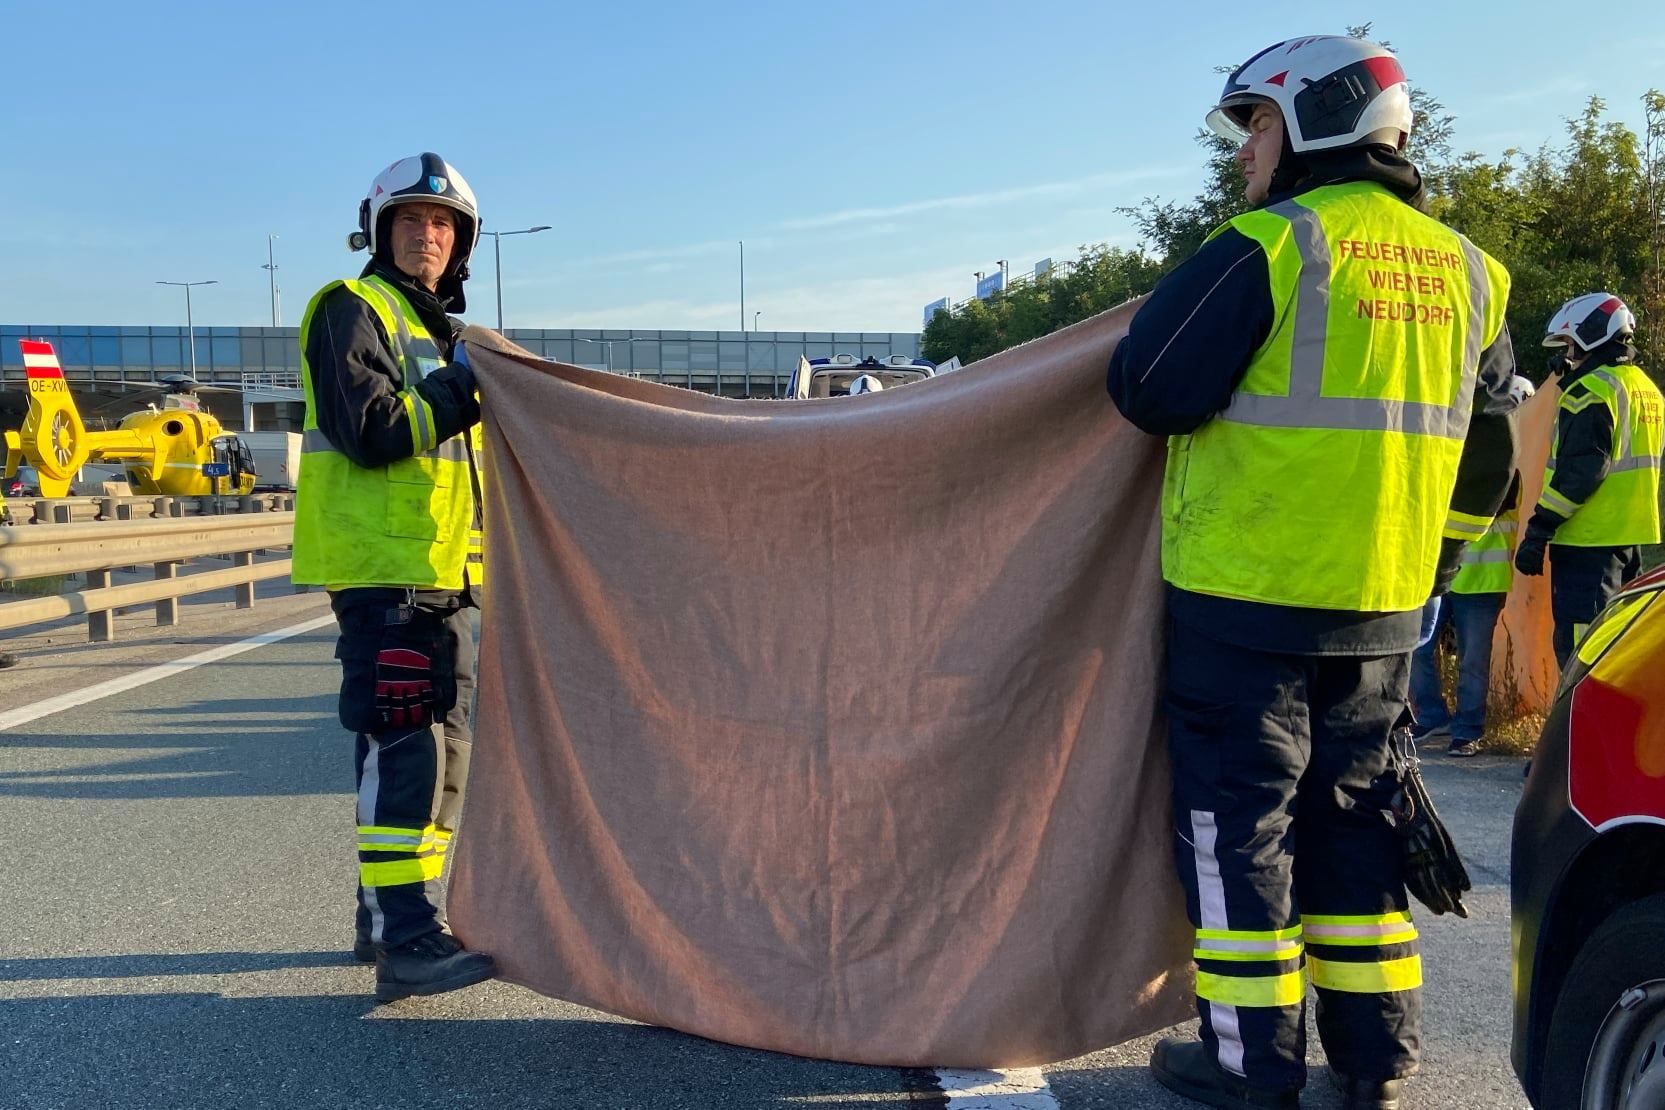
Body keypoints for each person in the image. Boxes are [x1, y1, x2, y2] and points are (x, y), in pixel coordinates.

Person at [1106, 35, 1518, 1110]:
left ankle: (1250, 1067)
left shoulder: (1271, 245)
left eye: (1257, 124)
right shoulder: (1474, 269)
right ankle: (1376, 1066)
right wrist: (1431, 557)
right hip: (1384, 612)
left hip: (1246, 603)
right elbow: (1492, 449)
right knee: (1358, 830)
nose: (1245, 151)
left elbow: (1148, 389)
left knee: (1239, 833)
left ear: (1315, 120)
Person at [292, 153, 492, 1002]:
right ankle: (408, 936)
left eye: (442, 224)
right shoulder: (351, 310)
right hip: (386, 578)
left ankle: (388, 920)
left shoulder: (446, 337)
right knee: (407, 755)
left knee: (435, 756)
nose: (427, 234)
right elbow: (375, 430)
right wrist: (465, 385)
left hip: (443, 580)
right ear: (379, 232)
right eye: (410, 220)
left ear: (462, 244)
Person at [1514, 293, 1663, 666]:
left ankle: (1575, 727)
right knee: (1620, 652)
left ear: (1590, 335)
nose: (1567, 355)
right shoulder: (1644, 388)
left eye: (1570, 345)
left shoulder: (1589, 392)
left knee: (1584, 653)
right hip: (1631, 538)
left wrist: (1540, 527)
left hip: (1588, 543)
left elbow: (1581, 472)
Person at [1410, 475, 1520, 757]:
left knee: (1472, 662)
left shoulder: (1503, 470)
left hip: (1482, 580)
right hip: (1437, 575)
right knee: (1417, 648)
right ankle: (1433, 716)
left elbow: (1475, 507)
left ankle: (1467, 730)